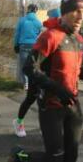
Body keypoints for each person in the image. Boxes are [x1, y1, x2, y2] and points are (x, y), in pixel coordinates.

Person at [9, 0, 83, 162]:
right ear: (64, 13)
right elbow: (29, 68)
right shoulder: (50, 36)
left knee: (71, 157)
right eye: (76, 11)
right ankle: (21, 156)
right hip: (51, 106)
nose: (81, 16)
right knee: (55, 158)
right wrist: (58, 90)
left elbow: (76, 69)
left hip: (72, 104)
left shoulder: (79, 39)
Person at [13, 8, 61, 138]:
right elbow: (32, 61)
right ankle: (19, 122)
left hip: (50, 77)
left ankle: (45, 127)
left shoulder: (63, 36)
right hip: (38, 74)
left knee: (47, 103)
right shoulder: (45, 35)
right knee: (31, 99)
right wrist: (36, 74)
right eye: (57, 19)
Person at [14, 4, 42, 90]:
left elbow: (17, 34)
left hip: (23, 45)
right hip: (34, 45)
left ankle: (25, 83)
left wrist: (16, 45)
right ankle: (32, 83)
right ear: (36, 11)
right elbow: (39, 34)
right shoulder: (38, 22)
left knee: (24, 66)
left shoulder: (22, 20)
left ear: (28, 10)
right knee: (33, 65)